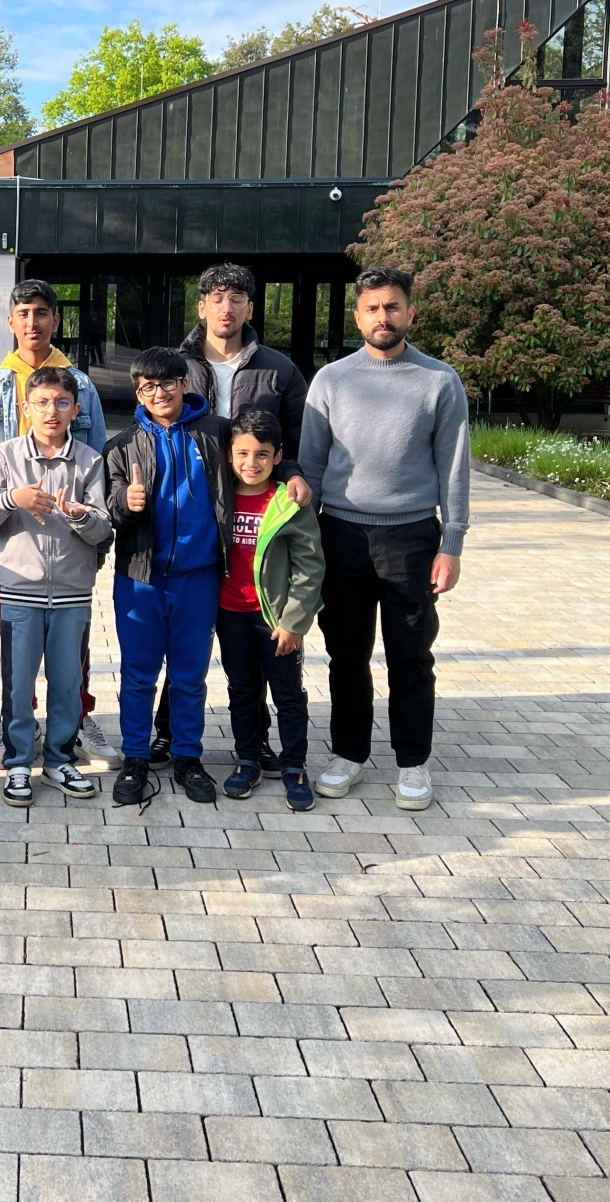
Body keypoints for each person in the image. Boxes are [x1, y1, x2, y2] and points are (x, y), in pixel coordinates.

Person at [298, 265, 470, 812]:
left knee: (411, 656)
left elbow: (455, 467)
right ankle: (349, 753)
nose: (383, 317)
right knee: (346, 653)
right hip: (341, 533)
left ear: (410, 313)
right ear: (357, 316)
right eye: (372, 308)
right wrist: (308, 541)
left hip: (413, 537)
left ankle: (413, 762)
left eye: (393, 307)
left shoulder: (439, 381)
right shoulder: (331, 380)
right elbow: (312, 466)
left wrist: (453, 543)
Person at [151, 261, 312, 769]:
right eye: (217, 298)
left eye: (237, 298)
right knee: (186, 640)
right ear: (201, 306)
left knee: (253, 650)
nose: (227, 307)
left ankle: (256, 741)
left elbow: (297, 436)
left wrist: (294, 473)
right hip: (192, 514)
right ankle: (167, 731)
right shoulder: (175, 364)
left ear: (249, 306)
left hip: (251, 514)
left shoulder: (278, 368)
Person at [0, 279, 111, 771]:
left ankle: (77, 724)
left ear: (55, 320)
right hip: (15, 541)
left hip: (70, 547)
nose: (32, 322)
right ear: (10, 322)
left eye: (42, 313)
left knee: (73, 648)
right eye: (23, 313)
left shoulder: (80, 383)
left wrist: (94, 529)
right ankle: (14, 734)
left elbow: (97, 454)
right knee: (17, 650)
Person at [102, 347, 232, 807]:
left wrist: (293, 471)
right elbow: (109, 509)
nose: (159, 393)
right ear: (138, 391)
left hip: (198, 577)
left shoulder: (218, 433)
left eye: (168, 383)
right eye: (148, 386)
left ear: (184, 384)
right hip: (140, 577)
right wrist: (128, 504)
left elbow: (262, 461)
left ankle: (187, 756)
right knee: (138, 675)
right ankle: (136, 756)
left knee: (190, 675)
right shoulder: (120, 445)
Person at [216, 409, 325, 813]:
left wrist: (295, 622)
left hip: (277, 620)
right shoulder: (221, 495)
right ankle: (247, 758)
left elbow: (311, 567)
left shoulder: (289, 502)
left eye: (262, 454)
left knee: (287, 695)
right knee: (243, 691)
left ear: (278, 456)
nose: (251, 463)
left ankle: (295, 765)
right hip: (230, 614)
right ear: (230, 455)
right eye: (242, 453)